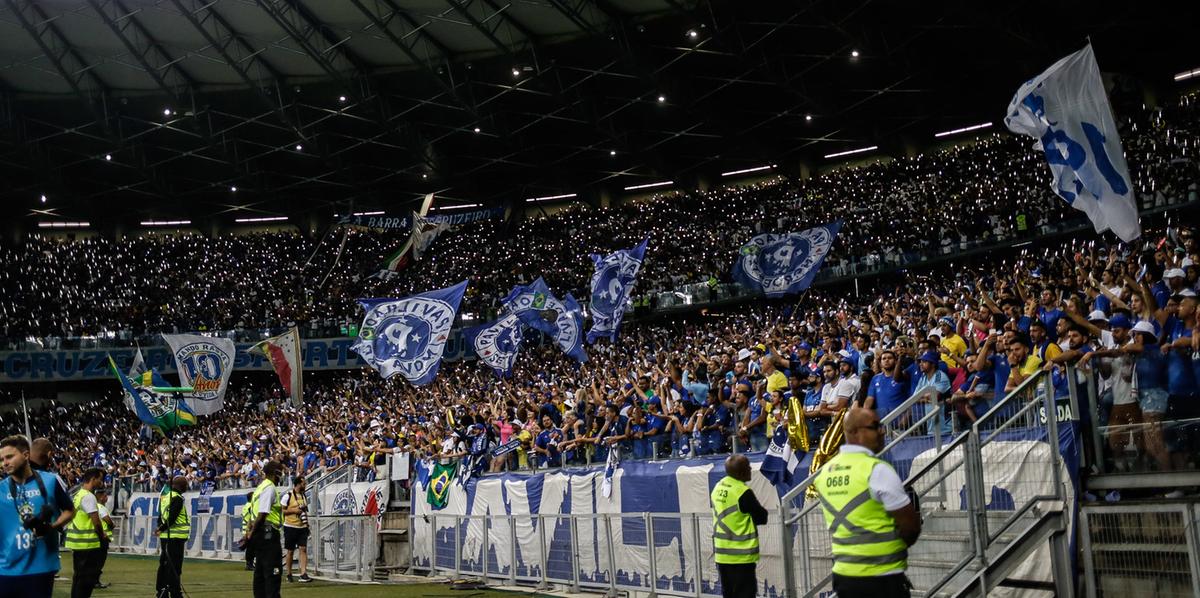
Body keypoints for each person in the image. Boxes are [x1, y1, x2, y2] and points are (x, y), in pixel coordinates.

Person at [814, 409, 922, 597]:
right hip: (882, 577)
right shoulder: (877, 470)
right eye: (875, 427)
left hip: (843, 575)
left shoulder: (826, 471)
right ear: (854, 432)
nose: (882, 432)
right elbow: (911, 527)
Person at [0, 435, 74, 598]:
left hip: (41, 568)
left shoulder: (50, 481)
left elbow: (70, 510)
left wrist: (51, 527)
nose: (5, 463)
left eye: (10, 457)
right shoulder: (1, 489)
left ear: (26, 455)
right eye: (2, 459)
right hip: (5, 569)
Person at [710, 454, 768, 598]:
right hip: (741, 557)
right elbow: (762, 517)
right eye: (748, 466)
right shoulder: (742, 492)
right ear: (741, 472)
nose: (750, 469)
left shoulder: (718, 487)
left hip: (722, 555)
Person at [244, 461, 285, 598]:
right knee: (273, 572)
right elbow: (262, 514)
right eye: (280, 472)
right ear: (275, 473)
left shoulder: (259, 488)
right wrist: (251, 534)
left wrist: (249, 533)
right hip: (268, 534)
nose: (282, 475)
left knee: (260, 573)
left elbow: (252, 514)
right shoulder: (269, 487)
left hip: (260, 536)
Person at [66, 468, 108, 598]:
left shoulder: (78, 494)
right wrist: (102, 535)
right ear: (93, 479)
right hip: (88, 544)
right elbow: (96, 521)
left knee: (78, 579)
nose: (101, 482)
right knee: (86, 582)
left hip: (78, 542)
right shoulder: (89, 497)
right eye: (100, 479)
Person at [156, 476, 190, 598]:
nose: (187, 486)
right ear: (181, 486)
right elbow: (172, 518)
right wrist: (162, 528)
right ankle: (175, 592)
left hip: (166, 537)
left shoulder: (165, 497)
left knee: (165, 564)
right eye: (185, 484)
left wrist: (160, 528)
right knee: (174, 567)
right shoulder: (177, 498)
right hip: (175, 537)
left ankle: (161, 590)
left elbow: (161, 516)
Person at [281, 476, 312, 583]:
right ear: (298, 484)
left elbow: (305, 512)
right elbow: (283, 510)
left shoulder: (303, 496)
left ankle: (303, 573)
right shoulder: (288, 495)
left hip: (302, 527)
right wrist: (295, 510)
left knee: (303, 549)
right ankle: (289, 573)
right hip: (290, 526)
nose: (305, 485)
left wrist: (307, 524)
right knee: (290, 551)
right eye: (303, 484)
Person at [93, 488, 114, 590]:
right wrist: (112, 525)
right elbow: (107, 520)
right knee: (100, 561)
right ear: (101, 497)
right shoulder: (101, 507)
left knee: (97, 560)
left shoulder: (95, 507)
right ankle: (95, 582)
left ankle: (94, 581)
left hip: (98, 537)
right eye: (105, 496)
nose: (106, 498)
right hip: (103, 537)